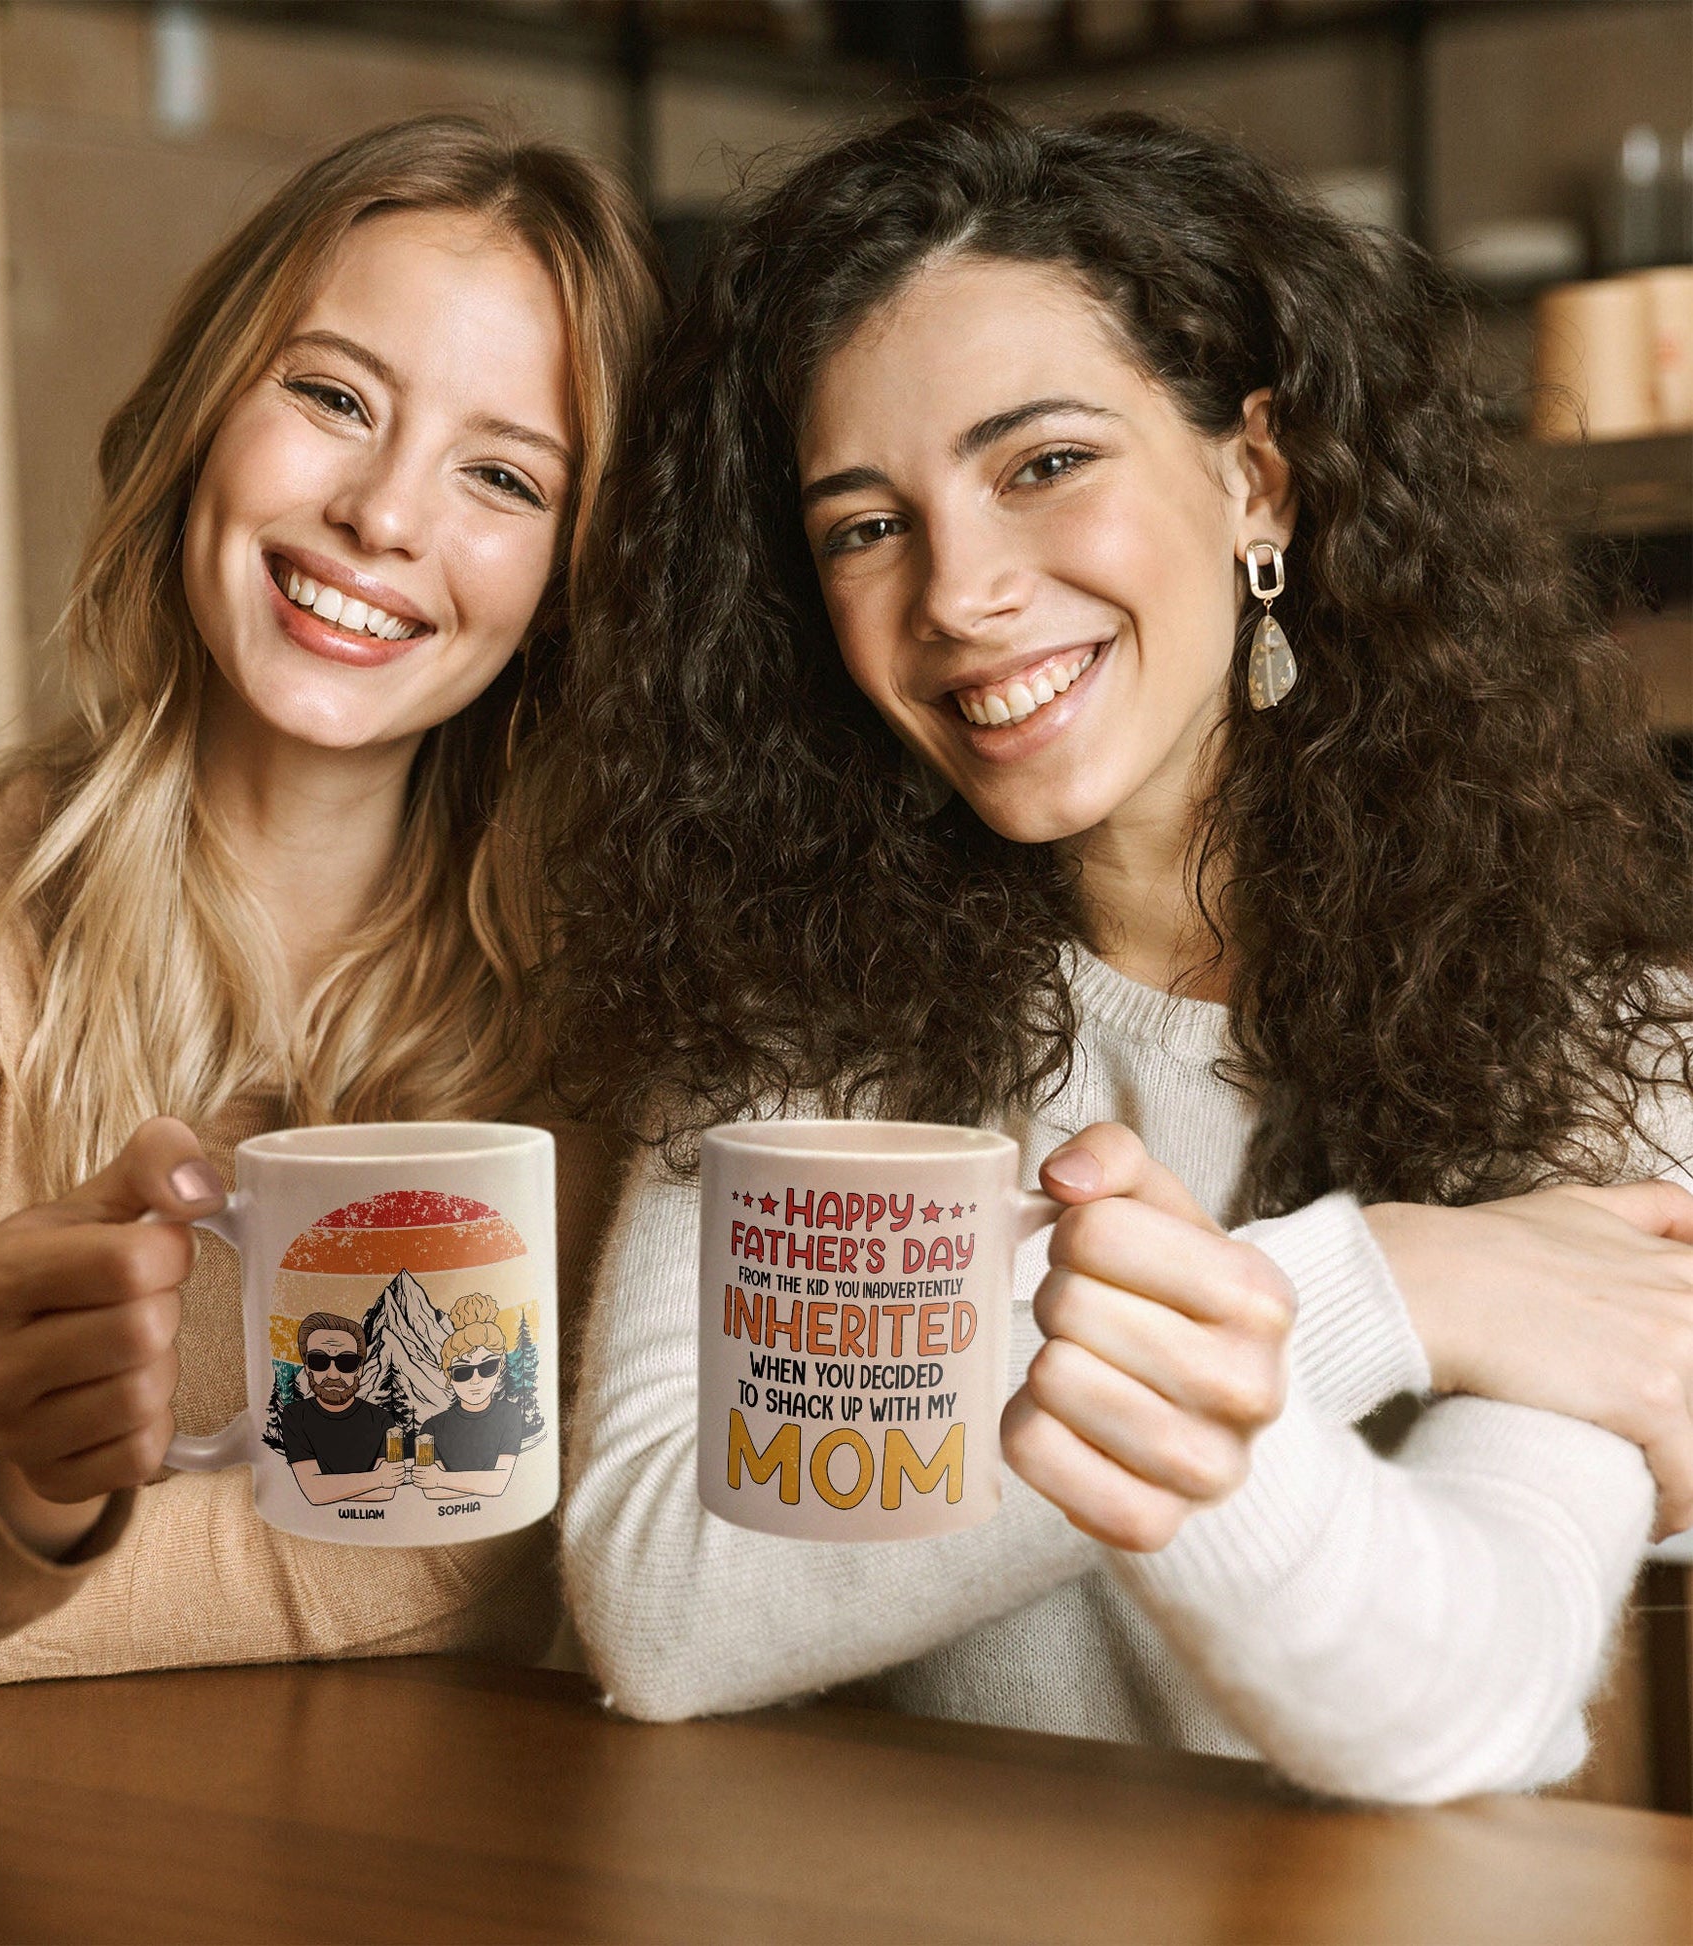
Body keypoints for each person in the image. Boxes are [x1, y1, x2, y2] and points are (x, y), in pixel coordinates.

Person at [543, 103, 1693, 1803]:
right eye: (865, 524)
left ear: (1256, 479)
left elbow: (1458, 1697)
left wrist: (1241, 1316)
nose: (958, 590)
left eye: (1041, 464)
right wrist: (1375, 1287)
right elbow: (659, 1603)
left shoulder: (1604, 1027)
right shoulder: (798, 1018)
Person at [0, 116, 661, 1701]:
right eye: (331, 396)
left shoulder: (613, 1010)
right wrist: (9, 1476)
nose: (384, 514)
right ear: (199, 417)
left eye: (502, 476)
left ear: (570, 578)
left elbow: (515, 1529)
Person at [281, 1315, 401, 1506]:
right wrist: (377, 1478)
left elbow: (386, 1493)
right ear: (307, 1367)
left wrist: (328, 1488)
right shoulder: (295, 1416)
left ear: (359, 1369)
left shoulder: (381, 1420)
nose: (333, 1374)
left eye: (346, 1363)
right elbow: (314, 1493)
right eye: (319, 1361)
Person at [414, 1294, 524, 1499]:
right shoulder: (431, 1428)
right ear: (450, 1377)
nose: (475, 1380)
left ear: (500, 1366)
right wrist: (477, 1483)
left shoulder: (510, 1414)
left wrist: (441, 1478)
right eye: (462, 1372)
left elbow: (499, 1485)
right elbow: (431, 1493)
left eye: (487, 1367)